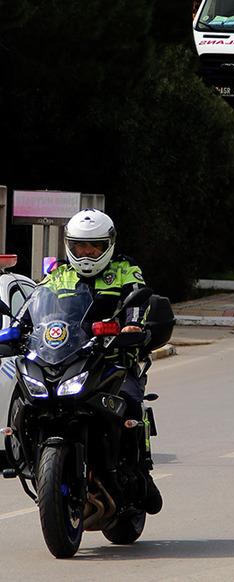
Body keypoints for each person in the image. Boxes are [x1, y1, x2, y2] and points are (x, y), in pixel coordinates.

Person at [34, 208, 162, 515]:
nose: (87, 252)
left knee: (130, 401)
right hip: (68, 359)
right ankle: (24, 457)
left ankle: (139, 469)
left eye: (95, 246)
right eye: (80, 246)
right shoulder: (58, 273)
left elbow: (138, 298)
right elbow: (36, 305)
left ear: (109, 245)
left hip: (113, 359)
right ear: (70, 245)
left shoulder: (125, 269)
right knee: (30, 397)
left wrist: (133, 326)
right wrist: (18, 328)